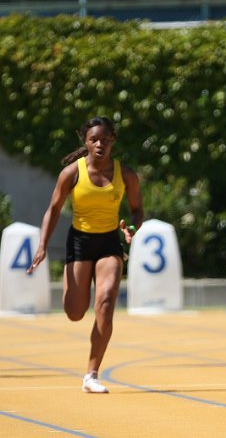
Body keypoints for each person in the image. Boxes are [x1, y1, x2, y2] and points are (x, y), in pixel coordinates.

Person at [27, 116, 143, 393]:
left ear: (112, 140)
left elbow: (137, 209)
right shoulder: (71, 173)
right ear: (86, 142)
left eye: (105, 139)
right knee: (76, 312)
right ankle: (79, 292)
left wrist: (133, 229)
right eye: (94, 139)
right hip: (79, 242)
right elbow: (53, 210)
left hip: (108, 244)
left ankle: (91, 374)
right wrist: (43, 244)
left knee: (105, 302)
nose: (100, 144)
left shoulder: (125, 174)